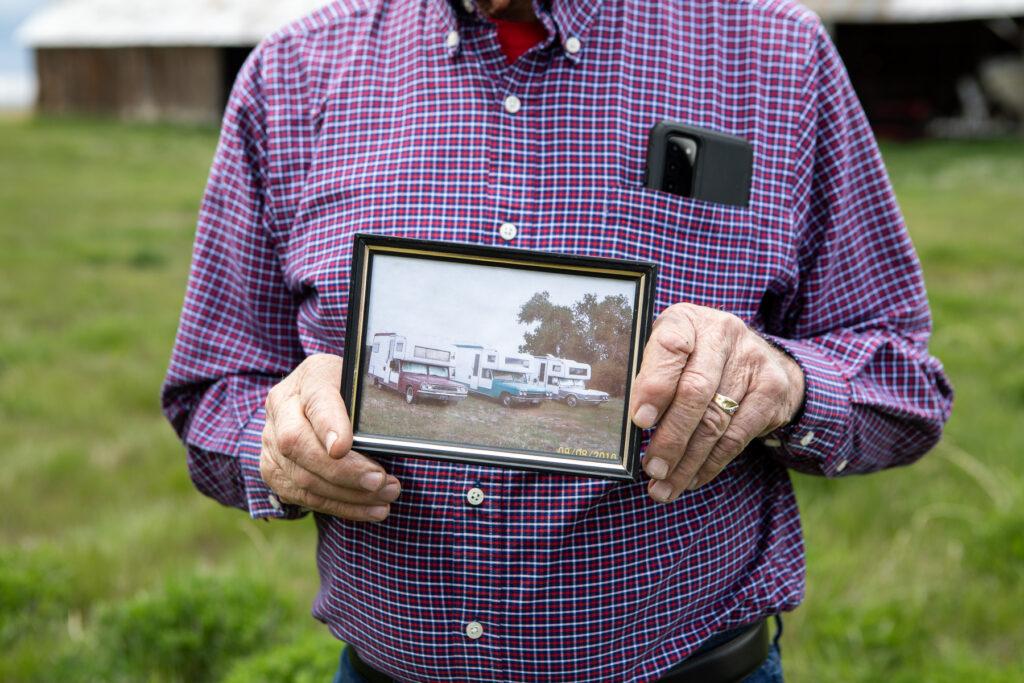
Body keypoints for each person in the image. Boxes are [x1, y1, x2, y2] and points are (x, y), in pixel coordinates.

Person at [160, 0, 954, 680]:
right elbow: (213, 390)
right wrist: (274, 439)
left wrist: (783, 381)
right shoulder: (292, 76)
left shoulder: (774, 54)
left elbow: (904, 381)